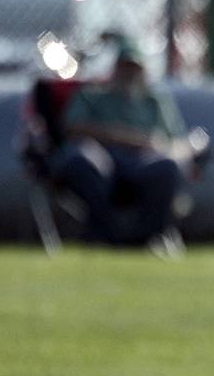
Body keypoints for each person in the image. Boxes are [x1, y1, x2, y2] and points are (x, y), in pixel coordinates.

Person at [54, 39, 190, 249]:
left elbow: (176, 140)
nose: (130, 73)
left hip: (142, 161)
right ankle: (104, 234)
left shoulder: (155, 100)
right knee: (81, 160)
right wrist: (120, 136)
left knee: (167, 168)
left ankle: (144, 238)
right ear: (115, 68)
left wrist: (170, 149)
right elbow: (72, 128)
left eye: (135, 68)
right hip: (103, 158)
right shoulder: (93, 95)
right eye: (125, 67)